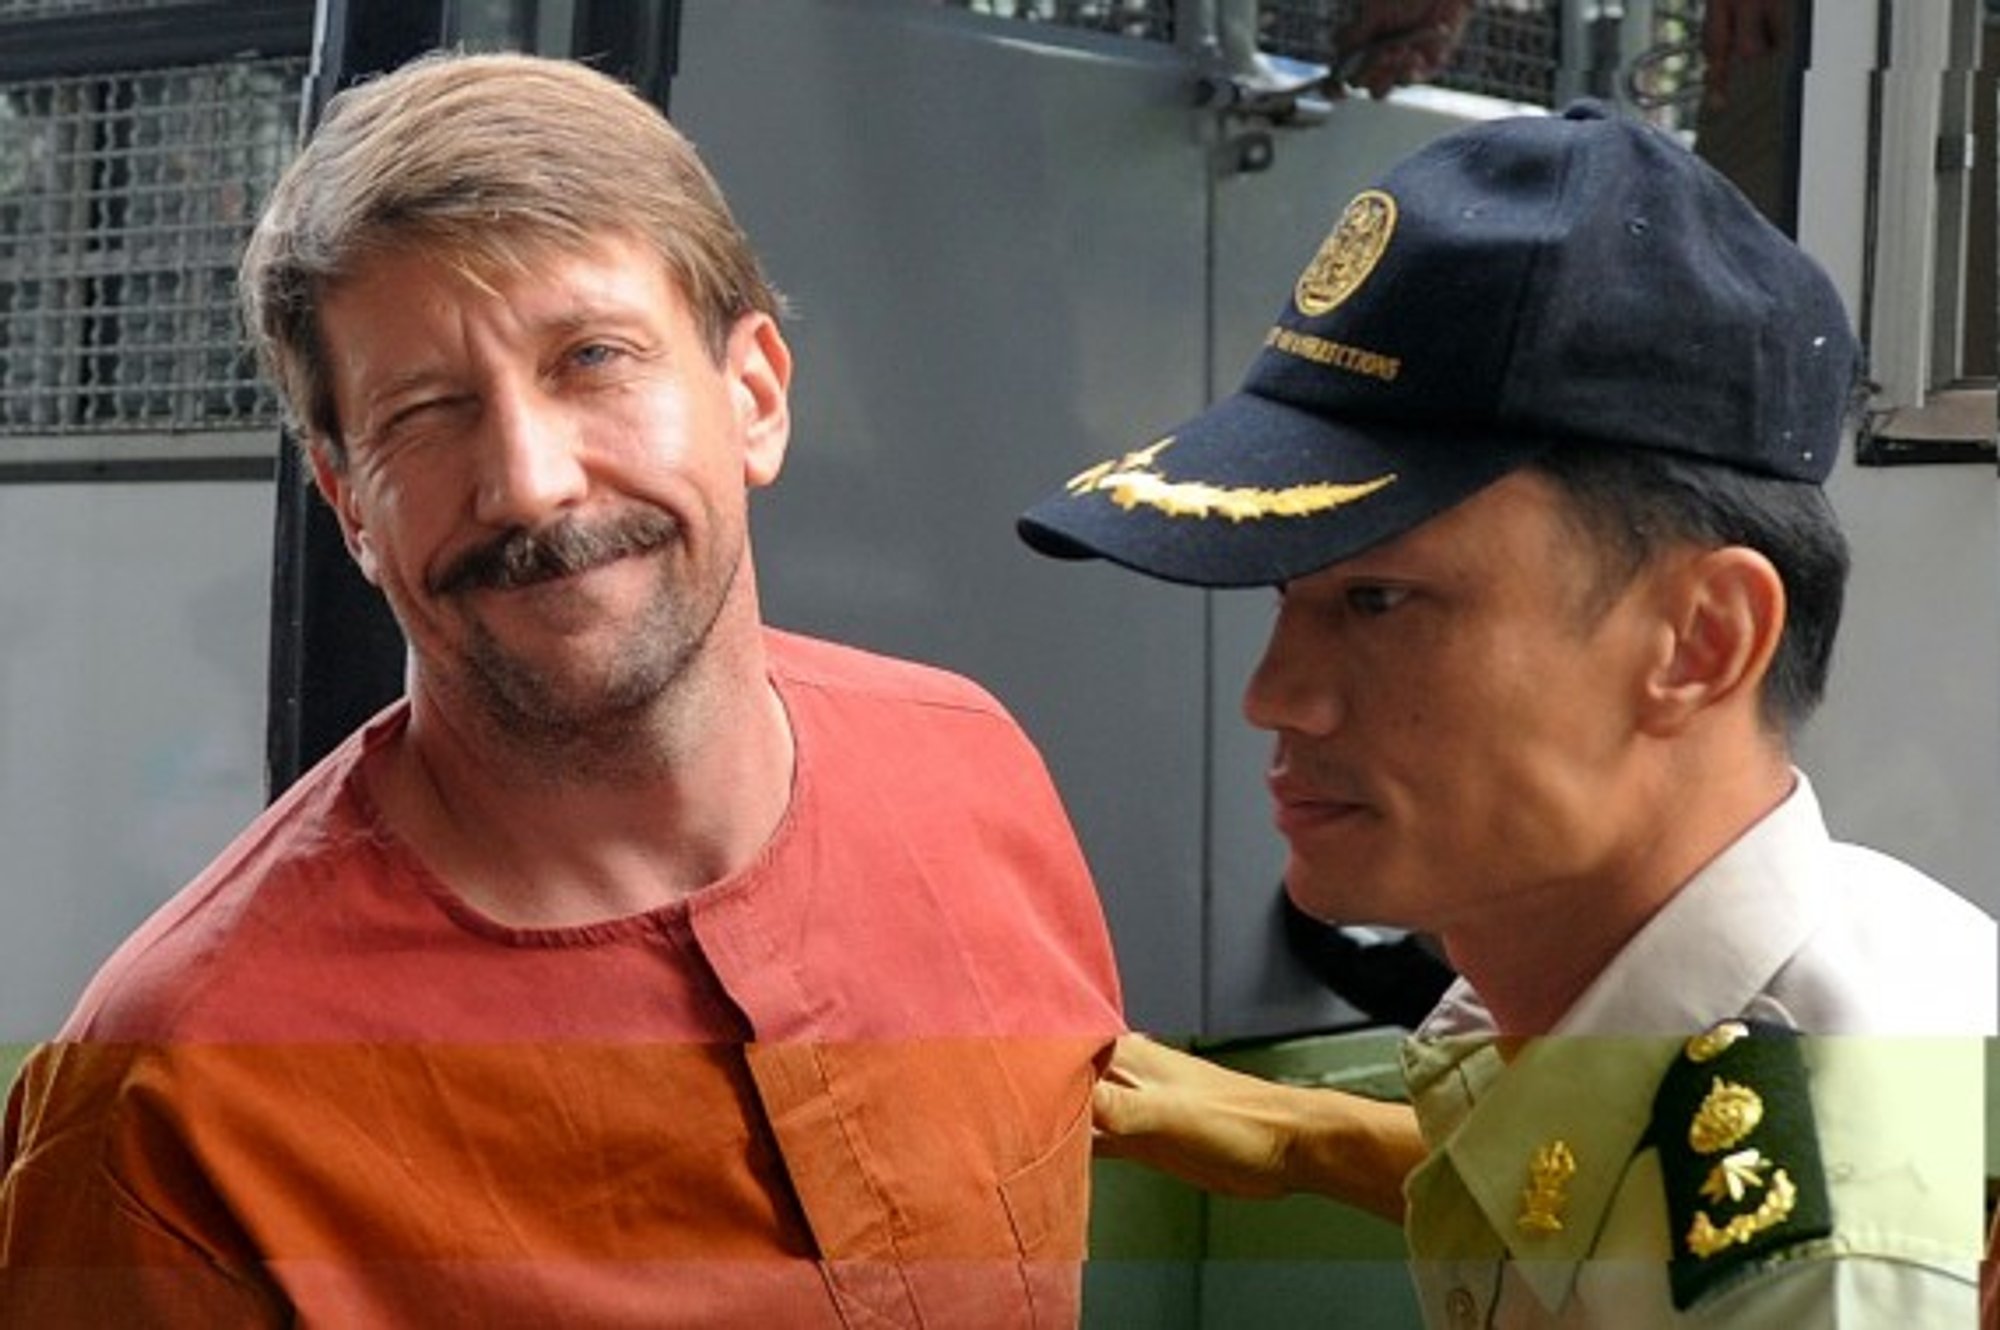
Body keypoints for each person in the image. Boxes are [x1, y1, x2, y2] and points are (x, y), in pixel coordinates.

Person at [0, 51, 1122, 1328]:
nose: (530, 483)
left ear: (754, 397)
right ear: (349, 507)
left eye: (592, 358)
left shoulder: (973, 777)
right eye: (425, 414)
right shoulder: (176, 1097)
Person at [1018, 101, 1997, 1325]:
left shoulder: (1810, 1253)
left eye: (1377, 600)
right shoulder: (1808, 951)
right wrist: (1309, 1137)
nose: (1274, 694)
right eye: (1287, 596)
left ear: (1698, 642)